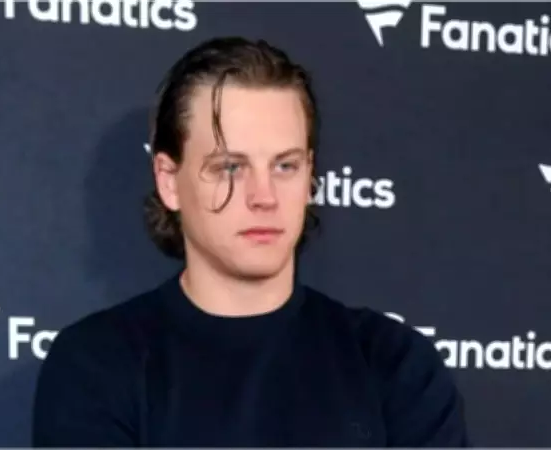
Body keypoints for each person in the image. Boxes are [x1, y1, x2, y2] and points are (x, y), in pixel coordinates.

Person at [31, 36, 471, 447]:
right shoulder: (96, 365)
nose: (264, 197)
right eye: (230, 168)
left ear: (310, 173)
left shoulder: (394, 363)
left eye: (285, 166)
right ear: (169, 181)